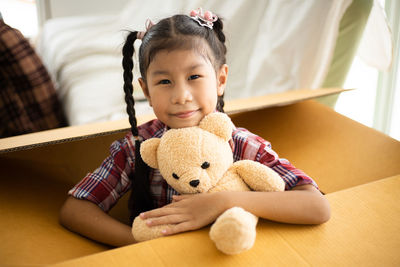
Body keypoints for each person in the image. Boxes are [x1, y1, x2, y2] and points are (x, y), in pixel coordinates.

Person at [59, 8, 330, 247]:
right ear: (146, 91)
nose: (182, 95)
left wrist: (223, 201)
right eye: (164, 82)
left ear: (220, 79)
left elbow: (316, 206)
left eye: (194, 77)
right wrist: (138, 242)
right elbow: (75, 209)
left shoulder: (240, 144)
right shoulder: (137, 148)